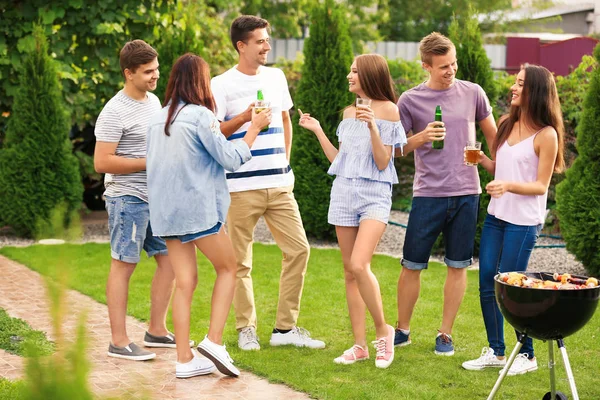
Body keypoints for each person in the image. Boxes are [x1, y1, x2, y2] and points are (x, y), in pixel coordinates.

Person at [146, 53, 270, 378]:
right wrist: (254, 127)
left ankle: (184, 360)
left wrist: (242, 120)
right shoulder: (201, 115)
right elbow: (230, 158)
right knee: (228, 268)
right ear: (201, 82)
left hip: (166, 213)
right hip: (198, 211)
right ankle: (214, 342)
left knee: (184, 283)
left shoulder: (159, 119)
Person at [210, 15, 324, 351]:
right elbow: (215, 133)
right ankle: (247, 329)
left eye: (267, 40)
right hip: (240, 186)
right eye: (259, 41)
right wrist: (245, 118)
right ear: (241, 45)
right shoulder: (221, 84)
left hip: (279, 183)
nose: (267, 46)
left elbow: (286, 120)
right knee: (240, 262)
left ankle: (285, 330)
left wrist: (285, 163)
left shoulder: (275, 77)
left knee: (299, 250)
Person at [298, 54, 407, 369]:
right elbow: (339, 160)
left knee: (360, 264)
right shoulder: (347, 112)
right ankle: (359, 345)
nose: (349, 75)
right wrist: (318, 130)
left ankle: (383, 332)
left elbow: (384, 161)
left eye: (354, 71)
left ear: (370, 75)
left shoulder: (389, 110)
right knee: (349, 271)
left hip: (374, 194)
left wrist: (373, 125)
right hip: (343, 192)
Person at [394, 32, 497, 356]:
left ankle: (446, 334)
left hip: (467, 191)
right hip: (428, 193)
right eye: (443, 67)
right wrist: (421, 137)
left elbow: (493, 138)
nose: (451, 70)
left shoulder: (473, 93)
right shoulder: (410, 100)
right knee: (411, 264)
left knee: (458, 264)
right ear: (426, 66)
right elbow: (395, 149)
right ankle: (402, 330)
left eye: (453, 63)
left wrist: (504, 171)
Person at [462, 64, 564, 375]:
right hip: (497, 216)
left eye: (520, 83)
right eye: (515, 82)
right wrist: (483, 162)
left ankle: (528, 355)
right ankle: (496, 351)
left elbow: (540, 186)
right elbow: (502, 170)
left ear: (535, 91)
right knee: (486, 282)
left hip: (523, 222)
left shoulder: (547, 135)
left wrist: (507, 185)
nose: (514, 87)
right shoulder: (507, 123)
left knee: (514, 286)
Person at [94, 40, 182, 361]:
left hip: (155, 196)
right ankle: (118, 341)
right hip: (127, 198)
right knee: (123, 265)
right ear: (128, 73)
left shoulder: (153, 100)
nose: (156, 76)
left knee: (170, 260)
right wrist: (149, 161)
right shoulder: (114, 111)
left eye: (157, 69)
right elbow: (102, 162)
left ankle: (156, 331)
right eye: (148, 72)